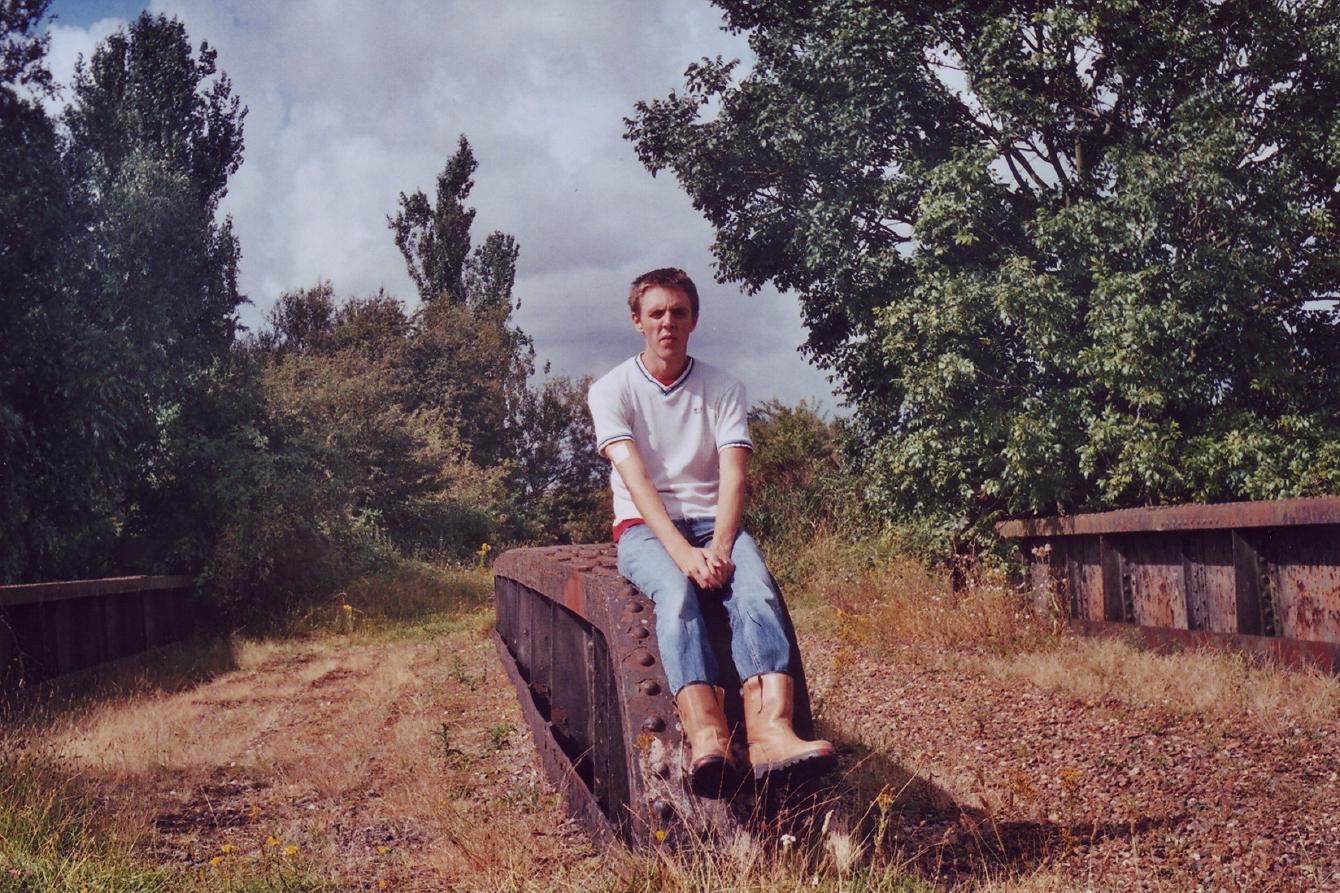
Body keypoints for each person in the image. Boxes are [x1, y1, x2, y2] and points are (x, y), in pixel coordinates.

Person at [586, 267, 834, 793]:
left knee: (757, 591)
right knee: (676, 596)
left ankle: (771, 732)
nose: (667, 322)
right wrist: (683, 554)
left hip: (711, 524)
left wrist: (720, 548)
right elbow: (636, 480)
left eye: (678, 312)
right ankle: (708, 738)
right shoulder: (611, 391)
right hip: (643, 528)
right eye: (656, 313)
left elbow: (734, 474)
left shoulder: (724, 387)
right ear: (637, 321)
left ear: (694, 319)